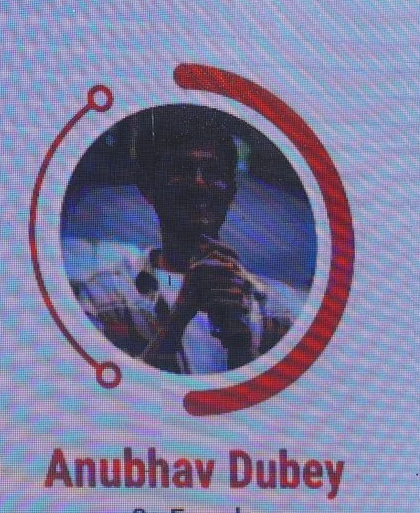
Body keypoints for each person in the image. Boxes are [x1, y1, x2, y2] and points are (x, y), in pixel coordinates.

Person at [73, 105, 295, 374]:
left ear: (231, 191)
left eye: (212, 172)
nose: (199, 184)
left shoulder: (272, 308)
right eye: (182, 170)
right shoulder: (103, 296)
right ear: (149, 188)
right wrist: (179, 318)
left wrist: (241, 348)